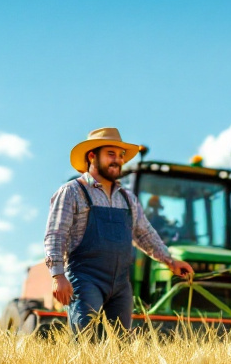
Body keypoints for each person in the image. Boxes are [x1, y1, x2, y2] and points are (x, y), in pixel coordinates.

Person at [43, 127, 194, 333]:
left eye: (121, 156)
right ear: (92, 156)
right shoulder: (71, 191)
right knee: (86, 342)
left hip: (121, 285)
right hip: (86, 279)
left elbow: (144, 233)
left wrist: (170, 260)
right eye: (111, 154)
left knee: (119, 347)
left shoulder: (127, 198)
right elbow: (55, 234)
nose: (118, 160)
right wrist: (57, 276)